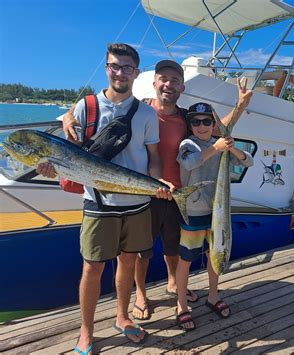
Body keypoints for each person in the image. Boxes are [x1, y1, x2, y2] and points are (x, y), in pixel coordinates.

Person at [62, 59, 253, 321]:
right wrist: (70, 115)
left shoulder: (186, 119)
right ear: (154, 83)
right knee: (141, 251)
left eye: (175, 80)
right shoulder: (140, 108)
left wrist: (241, 104)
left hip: (178, 193)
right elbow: (101, 100)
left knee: (173, 247)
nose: (168, 84)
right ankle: (141, 294)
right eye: (163, 78)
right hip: (145, 191)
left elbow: (217, 131)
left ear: (182, 87)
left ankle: (174, 284)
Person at [37, 43, 173, 354]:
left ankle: (122, 317)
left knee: (127, 262)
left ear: (136, 73)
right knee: (92, 268)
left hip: (137, 204)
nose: (120, 72)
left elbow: (152, 157)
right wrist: (50, 167)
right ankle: (86, 331)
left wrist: (157, 181)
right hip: (98, 203)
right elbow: (67, 152)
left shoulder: (146, 114)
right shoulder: (85, 107)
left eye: (127, 68)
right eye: (114, 66)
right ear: (106, 68)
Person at [175, 102, 254, 331]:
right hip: (194, 212)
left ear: (213, 124)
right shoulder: (187, 144)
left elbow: (248, 161)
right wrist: (217, 149)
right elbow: (190, 162)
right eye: (196, 122)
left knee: (214, 255)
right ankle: (181, 305)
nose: (202, 126)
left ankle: (212, 296)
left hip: (218, 213)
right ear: (190, 125)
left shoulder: (219, 144)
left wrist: (232, 149)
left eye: (206, 121)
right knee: (186, 259)